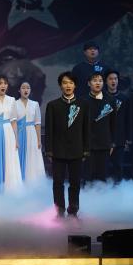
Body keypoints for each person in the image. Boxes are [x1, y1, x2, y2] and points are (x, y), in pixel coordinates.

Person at [45, 72, 90, 218]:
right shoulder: (53, 105)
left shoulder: (83, 104)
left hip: (77, 150)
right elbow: (49, 130)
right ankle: (59, 210)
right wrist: (49, 150)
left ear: (75, 85)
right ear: (60, 86)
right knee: (58, 183)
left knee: (75, 182)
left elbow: (86, 128)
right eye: (65, 83)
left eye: (71, 83)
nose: (68, 85)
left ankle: (73, 210)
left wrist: (86, 149)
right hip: (58, 150)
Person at [85, 72, 117, 182]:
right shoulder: (83, 101)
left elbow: (113, 123)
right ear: (89, 83)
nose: (98, 83)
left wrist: (112, 142)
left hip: (104, 143)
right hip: (88, 144)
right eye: (94, 81)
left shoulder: (110, 100)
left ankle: (102, 193)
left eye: (100, 81)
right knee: (88, 175)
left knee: (102, 175)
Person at [14, 82, 45, 183]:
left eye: (28, 88)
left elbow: (37, 123)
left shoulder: (35, 104)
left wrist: (39, 140)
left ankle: (32, 182)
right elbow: (13, 123)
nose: (26, 90)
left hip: (32, 133)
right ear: (19, 90)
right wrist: (15, 139)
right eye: (23, 88)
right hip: (19, 133)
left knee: (32, 157)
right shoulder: (14, 104)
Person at [104, 70, 129, 182]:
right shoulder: (101, 97)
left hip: (120, 137)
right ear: (106, 81)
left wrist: (127, 138)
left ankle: (118, 187)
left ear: (118, 81)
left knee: (118, 165)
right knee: (103, 166)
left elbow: (128, 119)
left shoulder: (124, 98)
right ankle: (102, 188)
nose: (113, 81)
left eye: (115, 79)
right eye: (110, 79)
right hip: (104, 138)